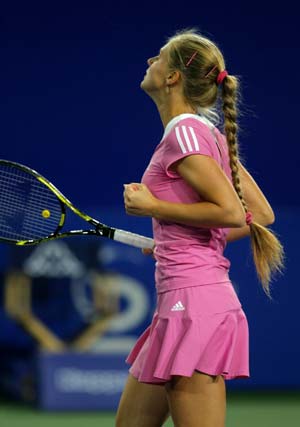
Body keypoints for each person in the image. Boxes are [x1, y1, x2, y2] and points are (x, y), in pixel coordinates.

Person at [116, 29, 284, 427]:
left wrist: (153, 207)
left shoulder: (185, 132)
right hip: (178, 304)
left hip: (194, 308)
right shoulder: (203, 131)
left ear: (173, 77)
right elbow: (259, 214)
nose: (148, 63)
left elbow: (230, 211)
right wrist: (176, 240)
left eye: (157, 57)